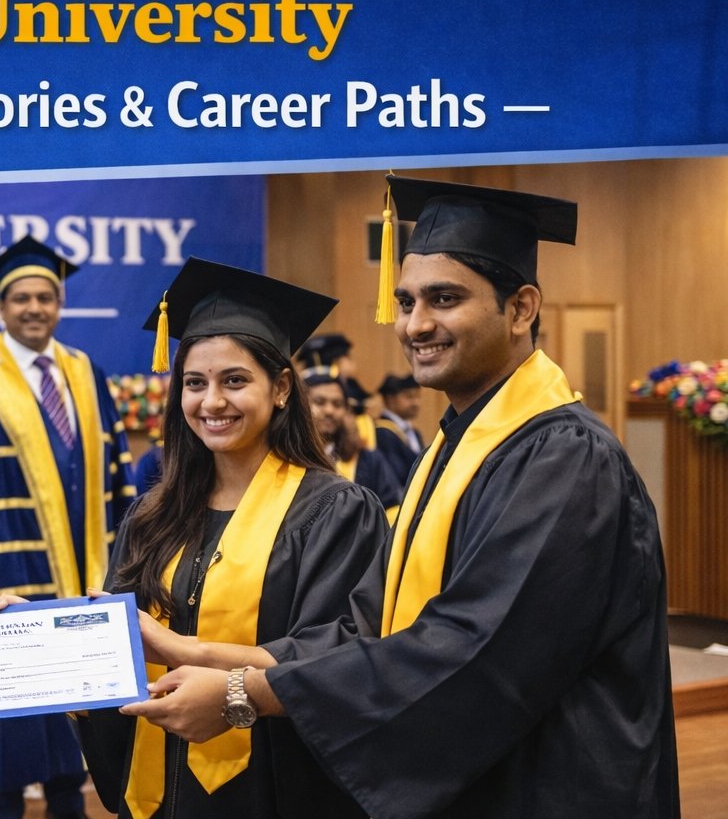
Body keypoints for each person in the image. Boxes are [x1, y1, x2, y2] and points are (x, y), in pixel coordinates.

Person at [123, 176, 680, 817]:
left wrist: (242, 695)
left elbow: (467, 653)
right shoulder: (451, 450)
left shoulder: (564, 460)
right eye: (405, 301)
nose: (416, 324)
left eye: (444, 299)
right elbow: (369, 631)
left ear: (522, 308)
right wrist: (195, 652)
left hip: (553, 786)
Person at [78, 258, 384, 818]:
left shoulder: (334, 512)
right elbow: (115, 644)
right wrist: (47, 646)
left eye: (234, 380)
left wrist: (217, 678)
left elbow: (340, 655)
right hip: (158, 795)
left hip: (274, 790)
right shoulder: (152, 516)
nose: (211, 402)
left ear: (283, 387)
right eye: (194, 383)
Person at [0, 235, 136, 819]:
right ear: (1, 306)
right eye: (22, 298)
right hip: (7, 586)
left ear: (59, 303)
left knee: (77, 741)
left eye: (46, 296)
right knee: (8, 739)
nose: (35, 308)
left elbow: (116, 471)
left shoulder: (85, 372)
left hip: (86, 577)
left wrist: (129, 564)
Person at [304, 368, 403, 515]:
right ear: (301, 406)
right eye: (319, 402)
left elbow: (391, 509)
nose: (329, 410)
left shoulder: (369, 461)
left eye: (337, 404)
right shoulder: (287, 458)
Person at [373, 373, 424, 483]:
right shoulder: (382, 432)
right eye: (409, 396)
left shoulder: (414, 432)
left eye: (417, 396)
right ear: (390, 399)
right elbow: (395, 475)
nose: (416, 402)